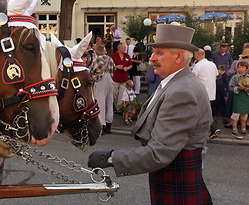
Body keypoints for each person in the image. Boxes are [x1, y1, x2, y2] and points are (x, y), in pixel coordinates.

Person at [88, 24, 213, 205]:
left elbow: (159, 153)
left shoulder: (182, 91)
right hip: (172, 181)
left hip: (177, 188)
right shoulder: (176, 83)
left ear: (179, 56)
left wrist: (111, 157)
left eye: (159, 53)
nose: (152, 58)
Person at [192, 49, 221, 139]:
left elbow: (192, 78)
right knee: (205, 112)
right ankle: (211, 128)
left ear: (196, 56)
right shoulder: (212, 64)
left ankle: (213, 127)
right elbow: (216, 76)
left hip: (201, 92)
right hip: (211, 92)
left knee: (201, 112)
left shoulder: (198, 66)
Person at [89, 42, 116, 134]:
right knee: (109, 102)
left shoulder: (96, 60)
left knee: (100, 103)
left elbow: (91, 71)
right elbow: (114, 69)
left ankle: (101, 125)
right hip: (110, 81)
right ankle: (109, 125)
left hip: (101, 81)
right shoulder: (110, 59)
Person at [228, 61, 249, 139]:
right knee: (236, 114)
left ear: (246, 68)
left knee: (244, 114)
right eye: (239, 67)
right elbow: (230, 87)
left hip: (246, 98)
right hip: (238, 97)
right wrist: (238, 88)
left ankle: (243, 129)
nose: (241, 69)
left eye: (243, 67)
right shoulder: (235, 77)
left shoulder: (248, 77)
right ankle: (234, 129)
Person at [110, 43, 132, 113]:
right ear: (119, 48)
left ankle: (119, 109)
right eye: (124, 47)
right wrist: (116, 67)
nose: (125, 49)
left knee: (121, 94)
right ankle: (116, 106)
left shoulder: (127, 56)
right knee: (114, 93)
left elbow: (130, 65)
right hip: (115, 78)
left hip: (124, 77)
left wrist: (127, 68)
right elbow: (110, 65)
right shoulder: (113, 56)